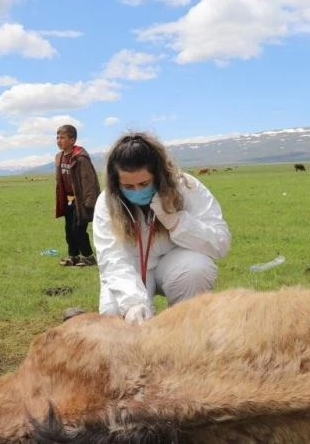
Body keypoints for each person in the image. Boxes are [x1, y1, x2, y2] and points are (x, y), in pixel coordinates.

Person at [93, 132, 230, 325]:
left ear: (159, 175)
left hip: (175, 264)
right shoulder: (107, 202)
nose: (138, 191)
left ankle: (184, 335)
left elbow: (220, 243)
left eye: (144, 183)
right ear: (116, 183)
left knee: (197, 269)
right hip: (131, 268)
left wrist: (176, 221)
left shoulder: (187, 187)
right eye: (128, 186)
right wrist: (133, 304)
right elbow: (112, 258)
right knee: (114, 314)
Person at [54, 125, 100, 267]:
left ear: (72, 140)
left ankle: (88, 257)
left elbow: (89, 180)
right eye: (57, 137)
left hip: (80, 201)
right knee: (69, 230)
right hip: (68, 201)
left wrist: (89, 202)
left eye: (62, 137)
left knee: (78, 229)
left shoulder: (80, 158)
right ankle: (73, 256)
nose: (58, 140)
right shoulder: (60, 157)